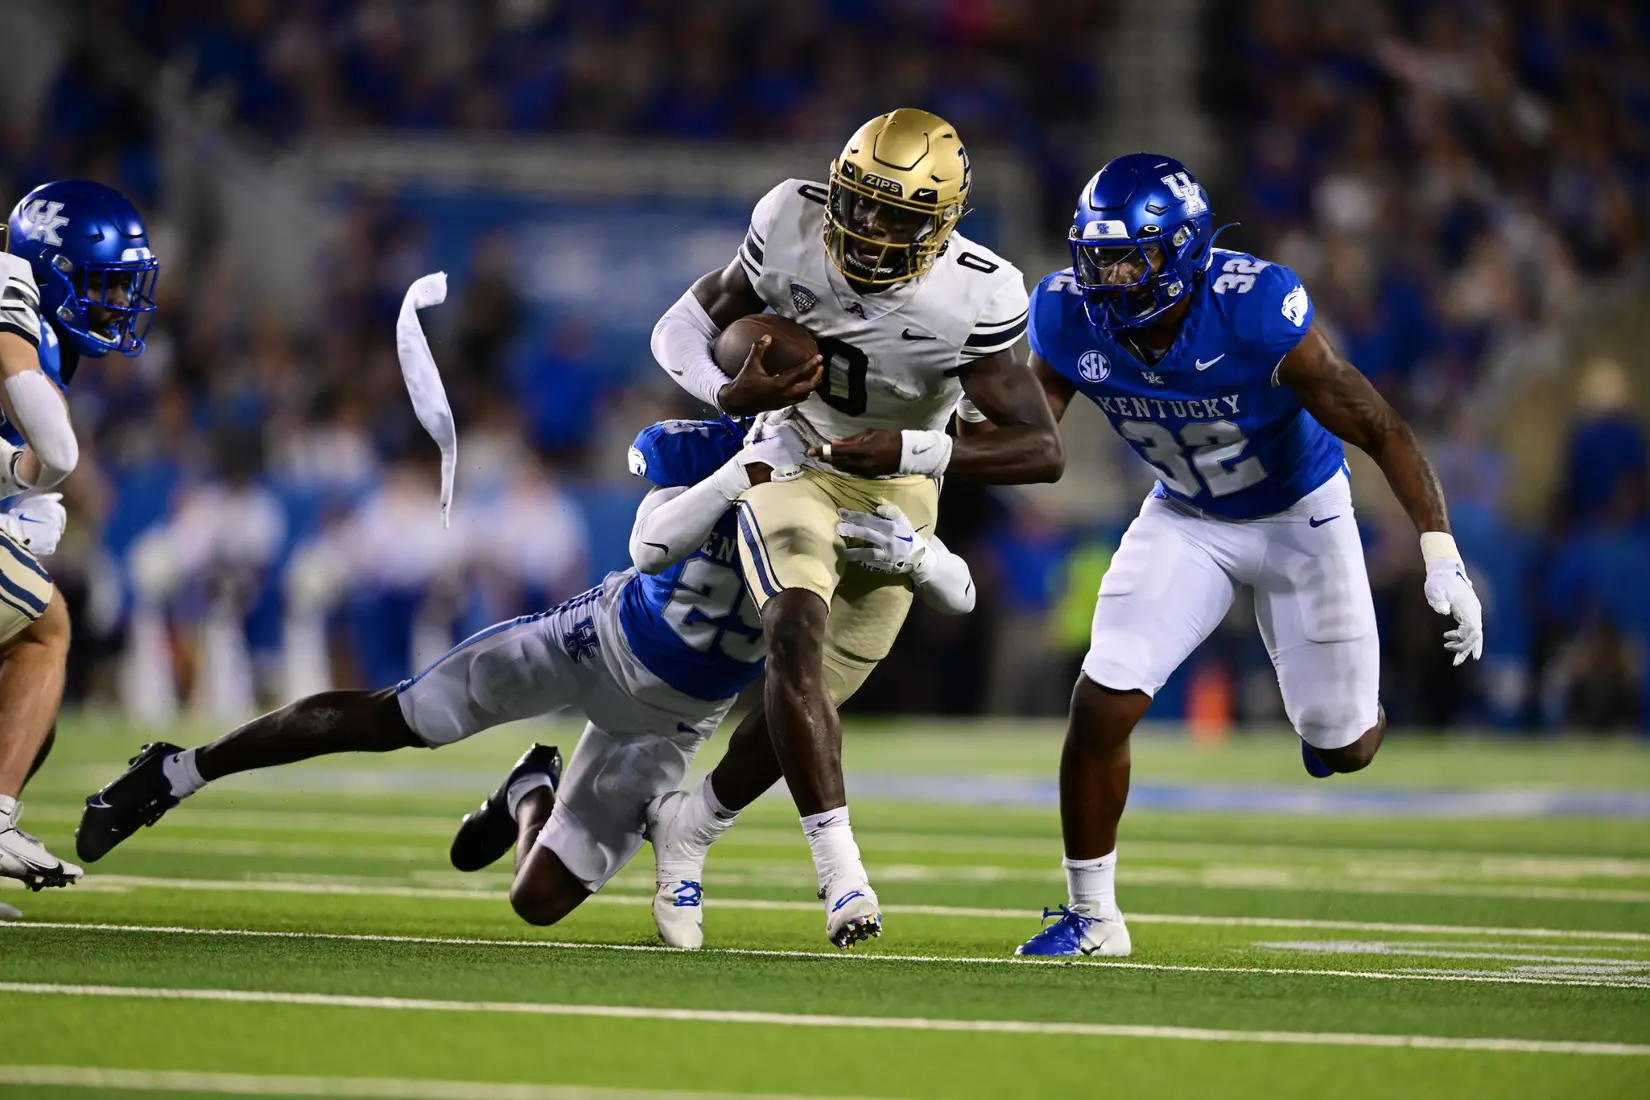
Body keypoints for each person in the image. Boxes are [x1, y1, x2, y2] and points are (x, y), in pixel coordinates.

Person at [77, 416, 976, 949]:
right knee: (399, 716)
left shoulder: (846, 513)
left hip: (671, 727)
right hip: (587, 644)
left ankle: (528, 793)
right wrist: (741, 474)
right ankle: (176, 771)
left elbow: (958, 589)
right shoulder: (712, 462)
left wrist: (913, 554)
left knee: (538, 903)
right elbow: (649, 543)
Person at [980, 154, 1483, 958]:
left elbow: (1380, 425)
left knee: (1344, 744)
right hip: (1185, 516)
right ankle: (1091, 917)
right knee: (1103, 699)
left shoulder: (1254, 311)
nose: (1106, 276)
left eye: (1128, 257)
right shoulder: (1067, 314)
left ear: (1181, 251)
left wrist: (1440, 551)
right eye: (1096, 255)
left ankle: (1340, 714)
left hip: (1300, 514)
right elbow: (1031, 438)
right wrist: (920, 449)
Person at [650, 107, 1062, 947]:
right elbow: (681, 327)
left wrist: (908, 447)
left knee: (806, 706)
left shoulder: (978, 292)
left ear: (942, 222)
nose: (870, 231)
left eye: (897, 216)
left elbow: (1038, 449)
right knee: (793, 633)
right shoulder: (790, 219)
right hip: (793, 454)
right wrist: (723, 395)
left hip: (900, 484)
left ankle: (690, 823)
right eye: (861, 205)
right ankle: (842, 876)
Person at [0, 180, 160, 914]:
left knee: (36, 697)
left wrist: (15, 485)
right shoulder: (13, 317)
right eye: (103, 284)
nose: (117, 303)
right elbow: (57, 451)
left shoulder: (48, 336)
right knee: (47, 628)